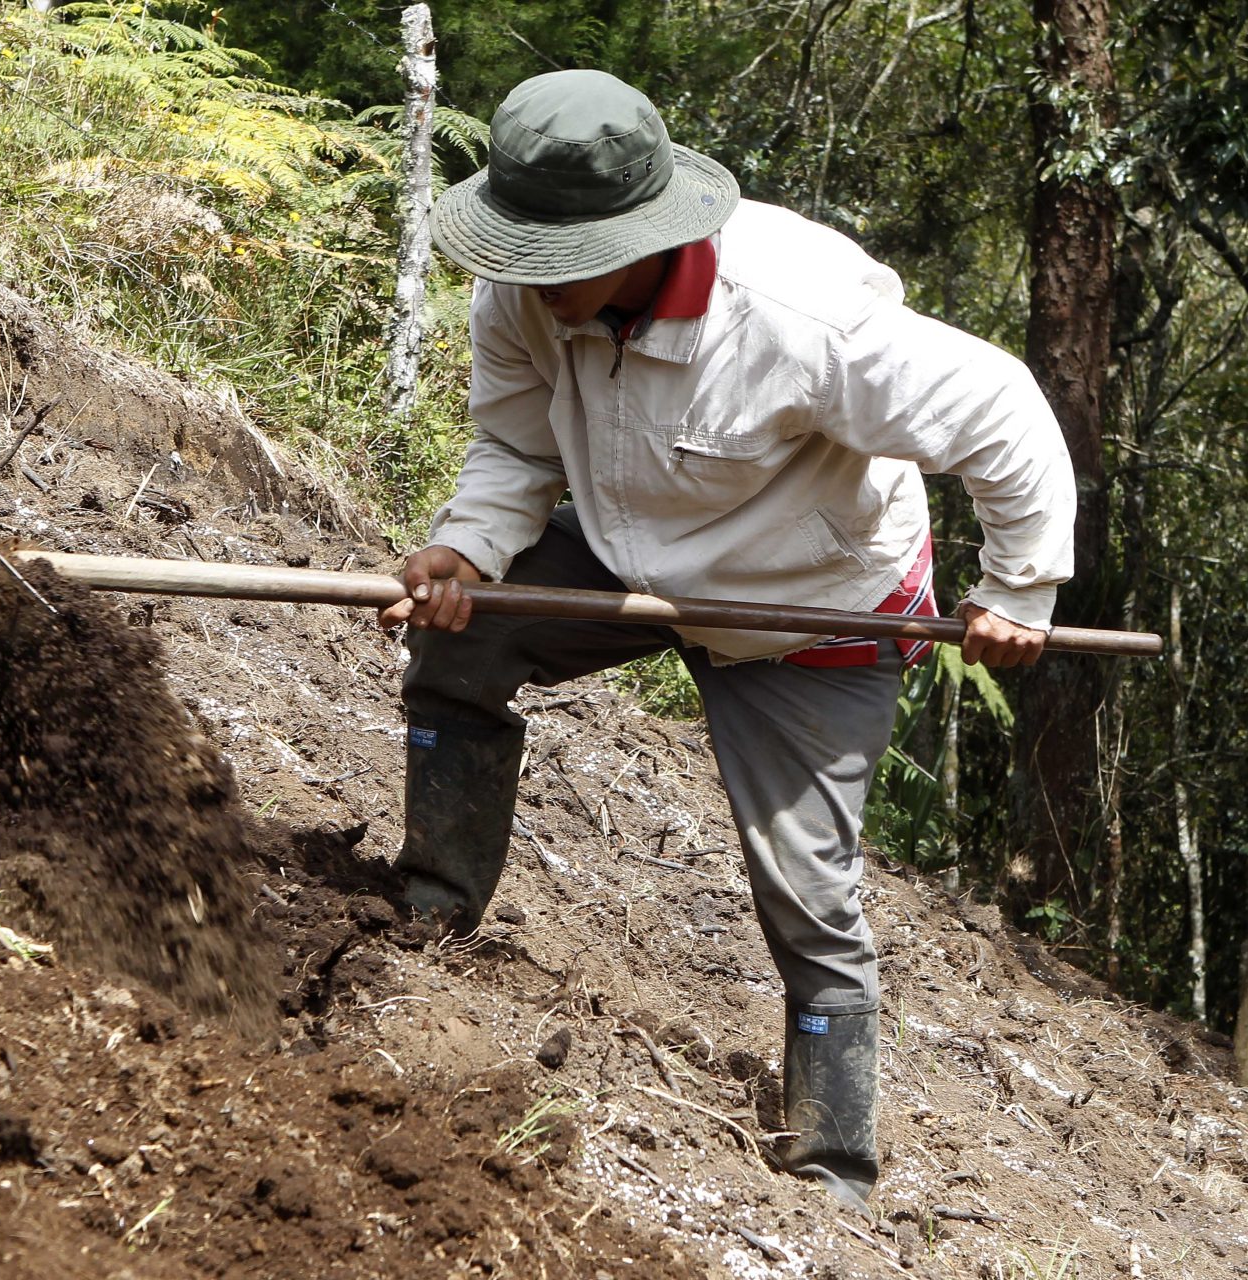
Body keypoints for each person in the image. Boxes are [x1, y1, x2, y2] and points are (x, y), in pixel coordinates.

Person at [379, 69, 1074, 1212]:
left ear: (638, 237)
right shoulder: (523, 288)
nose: (529, 279)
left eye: (557, 259)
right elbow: (515, 445)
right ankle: (429, 910)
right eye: (520, 252)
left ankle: (833, 1160)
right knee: (462, 643)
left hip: (810, 600)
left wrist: (1020, 589)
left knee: (807, 882)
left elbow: (1002, 409)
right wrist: (468, 549)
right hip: (629, 548)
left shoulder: (798, 317)